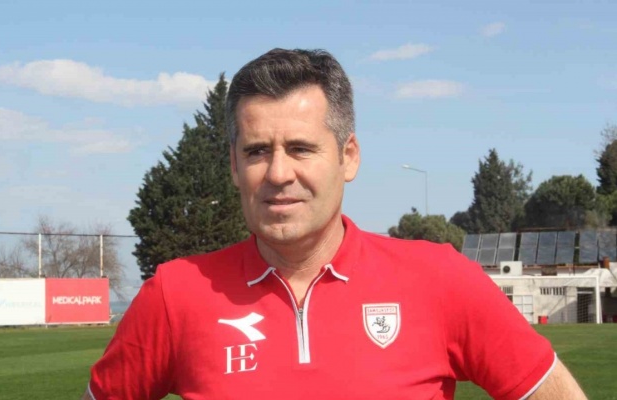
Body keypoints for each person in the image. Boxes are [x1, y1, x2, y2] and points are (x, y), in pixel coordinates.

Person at [82, 48, 587, 400]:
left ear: (348, 157)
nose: (278, 173)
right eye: (257, 152)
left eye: (301, 148)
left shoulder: (441, 279)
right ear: (234, 166)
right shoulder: (175, 295)